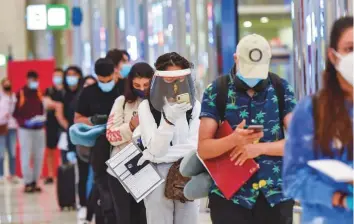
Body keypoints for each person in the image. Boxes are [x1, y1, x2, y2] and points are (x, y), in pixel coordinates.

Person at [198, 34, 297, 224]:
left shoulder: (281, 89)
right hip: (230, 197)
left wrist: (259, 148)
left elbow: (299, 144)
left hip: (275, 195)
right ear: (236, 58)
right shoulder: (217, 91)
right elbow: (203, 148)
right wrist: (233, 140)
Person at [283, 16, 353, 224]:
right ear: (333, 56)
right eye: (350, 48)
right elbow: (293, 179)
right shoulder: (311, 110)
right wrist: (339, 198)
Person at [137, 52, 201, 224]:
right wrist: (168, 121)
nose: (175, 84)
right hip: (155, 174)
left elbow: (195, 146)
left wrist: (161, 154)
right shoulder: (146, 107)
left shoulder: (194, 107)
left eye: (180, 78)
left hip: (187, 171)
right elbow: (155, 149)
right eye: (170, 79)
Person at [75, 58, 124, 224]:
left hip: (123, 145)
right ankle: (104, 216)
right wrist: (92, 120)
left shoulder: (123, 88)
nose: (106, 84)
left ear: (115, 74)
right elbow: (77, 119)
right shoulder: (89, 92)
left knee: (121, 185)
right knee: (102, 186)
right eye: (101, 81)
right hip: (99, 146)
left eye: (109, 80)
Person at [106, 62, 154, 224]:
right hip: (121, 168)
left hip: (149, 169)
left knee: (145, 217)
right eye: (137, 85)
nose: (142, 88)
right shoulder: (122, 102)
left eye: (146, 85)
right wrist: (131, 126)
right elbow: (110, 134)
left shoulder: (160, 103)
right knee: (124, 217)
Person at [54, 66, 89, 219]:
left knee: (86, 173)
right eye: (68, 75)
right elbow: (61, 115)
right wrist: (69, 129)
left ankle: (87, 202)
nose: (71, 77)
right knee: (74, 173)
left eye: (74, 75)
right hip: (69, 136)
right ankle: (77, 201)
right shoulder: (64, 94)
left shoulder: (83, 93)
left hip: (84, 136)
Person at [13, 71, 46, 193]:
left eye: (35, 80)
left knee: (39, 156)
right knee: (26, 155)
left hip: (39, 129)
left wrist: (42, 120)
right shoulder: (20, 93)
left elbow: (43, 110)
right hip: (25, 129)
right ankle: (27, 182)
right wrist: (24, 122)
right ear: (27, 80)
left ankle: (35, 181)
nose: (33, 82)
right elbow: (15, 113)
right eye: (31, 80)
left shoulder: (39, 93)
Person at [43, 68, 64, 184]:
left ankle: (63, 172)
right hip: (51, 123)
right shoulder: (49, 90)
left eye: (59, 76)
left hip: (63, 124)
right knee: (50, 149)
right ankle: (51, 174)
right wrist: (58, 105)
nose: (57, 78)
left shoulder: (66, 91)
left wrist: (54, 104)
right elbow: (46, 104)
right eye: (55, 76)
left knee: (63, 150)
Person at [0, 78, 18, 183]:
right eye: (5, 84)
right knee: (1, 152)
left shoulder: (14, 97)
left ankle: (12, 174)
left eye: (8, 83)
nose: (7, 85)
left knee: (12, 152)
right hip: (1, 127)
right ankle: (1, 174)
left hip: (12, 127)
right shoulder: (1, 97)